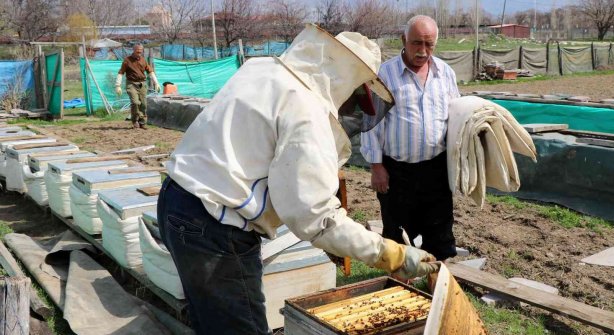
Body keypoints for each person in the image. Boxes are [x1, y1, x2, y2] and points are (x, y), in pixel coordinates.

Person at [157, 24, 439, 335]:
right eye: (357, 97)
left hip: (176, 200)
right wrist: (392, 253)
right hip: (215, 224)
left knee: (210, 322)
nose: (352, 109)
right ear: (345, 81)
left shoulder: (262, 69)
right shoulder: (306, 110)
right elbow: (317, 217)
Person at [361, 15, 461, 263]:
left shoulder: (445, 74)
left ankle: (436, 287)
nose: (423, 51)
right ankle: (400, 287)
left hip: (436, 169)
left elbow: (458, 117)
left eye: (429, 45)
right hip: (397, 172)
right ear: (403, 40)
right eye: (417, 43)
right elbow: (371, 124)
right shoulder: (385, 74)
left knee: (439, 233)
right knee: (397, 235)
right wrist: (376, 167)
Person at [115, 44, 160, 129]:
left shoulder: (143, 60)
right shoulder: (127, 60)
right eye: (137, 50)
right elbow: (121, 72)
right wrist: (118, 85)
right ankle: (135, 121)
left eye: (141, 50)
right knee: (135, 102)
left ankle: (142, 122)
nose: (139, 52)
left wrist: (156, 83)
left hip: (142, 84)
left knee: (143, 104)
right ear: (134, 50)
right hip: (131, 84)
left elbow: (150, 72)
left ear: (142, 50)